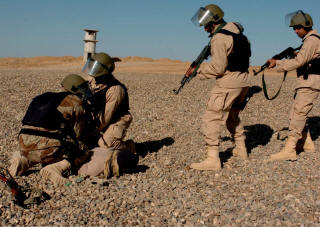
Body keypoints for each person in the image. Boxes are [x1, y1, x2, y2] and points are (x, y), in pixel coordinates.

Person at [189, 4, 252, 170]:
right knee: (233, 116)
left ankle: (212, 159)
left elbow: (218, 68)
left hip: (229, 82)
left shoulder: (219, 38)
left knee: (212, 117)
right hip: (244, 81)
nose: (205, 30)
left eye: (206, 26)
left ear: (214, 21)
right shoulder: (241, 36)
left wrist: (199, 70)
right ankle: (241, 148)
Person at [8, 74, 89, 185]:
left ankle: (23, 161)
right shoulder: (76, 102)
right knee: (82, 150)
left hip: (24, 145)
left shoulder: (45, 97)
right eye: (83, 88)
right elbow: (78, 134)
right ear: (74, 88)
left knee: (42, 142)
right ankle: (56, 168)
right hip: (47, 149)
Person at [267, 10, 320, 161]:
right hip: (306, 81)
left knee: (298, 115)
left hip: (310, 82)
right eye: (294, 28)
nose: (296, 31)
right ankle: (306, 143)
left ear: (306, 25)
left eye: (298, 27)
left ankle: (290, 149)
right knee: (296, 113)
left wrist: (278, 64)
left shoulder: (312, 40)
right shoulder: (309, 41)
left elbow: (299, 62)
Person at [81, 52, 135, 153]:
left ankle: (128, 147)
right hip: (99, 115)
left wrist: (89, 132)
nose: (92, 71)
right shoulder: (92, 80)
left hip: (116, 119)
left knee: (105, 145)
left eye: (96, 68)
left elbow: (105, 118)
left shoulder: (115, 90)